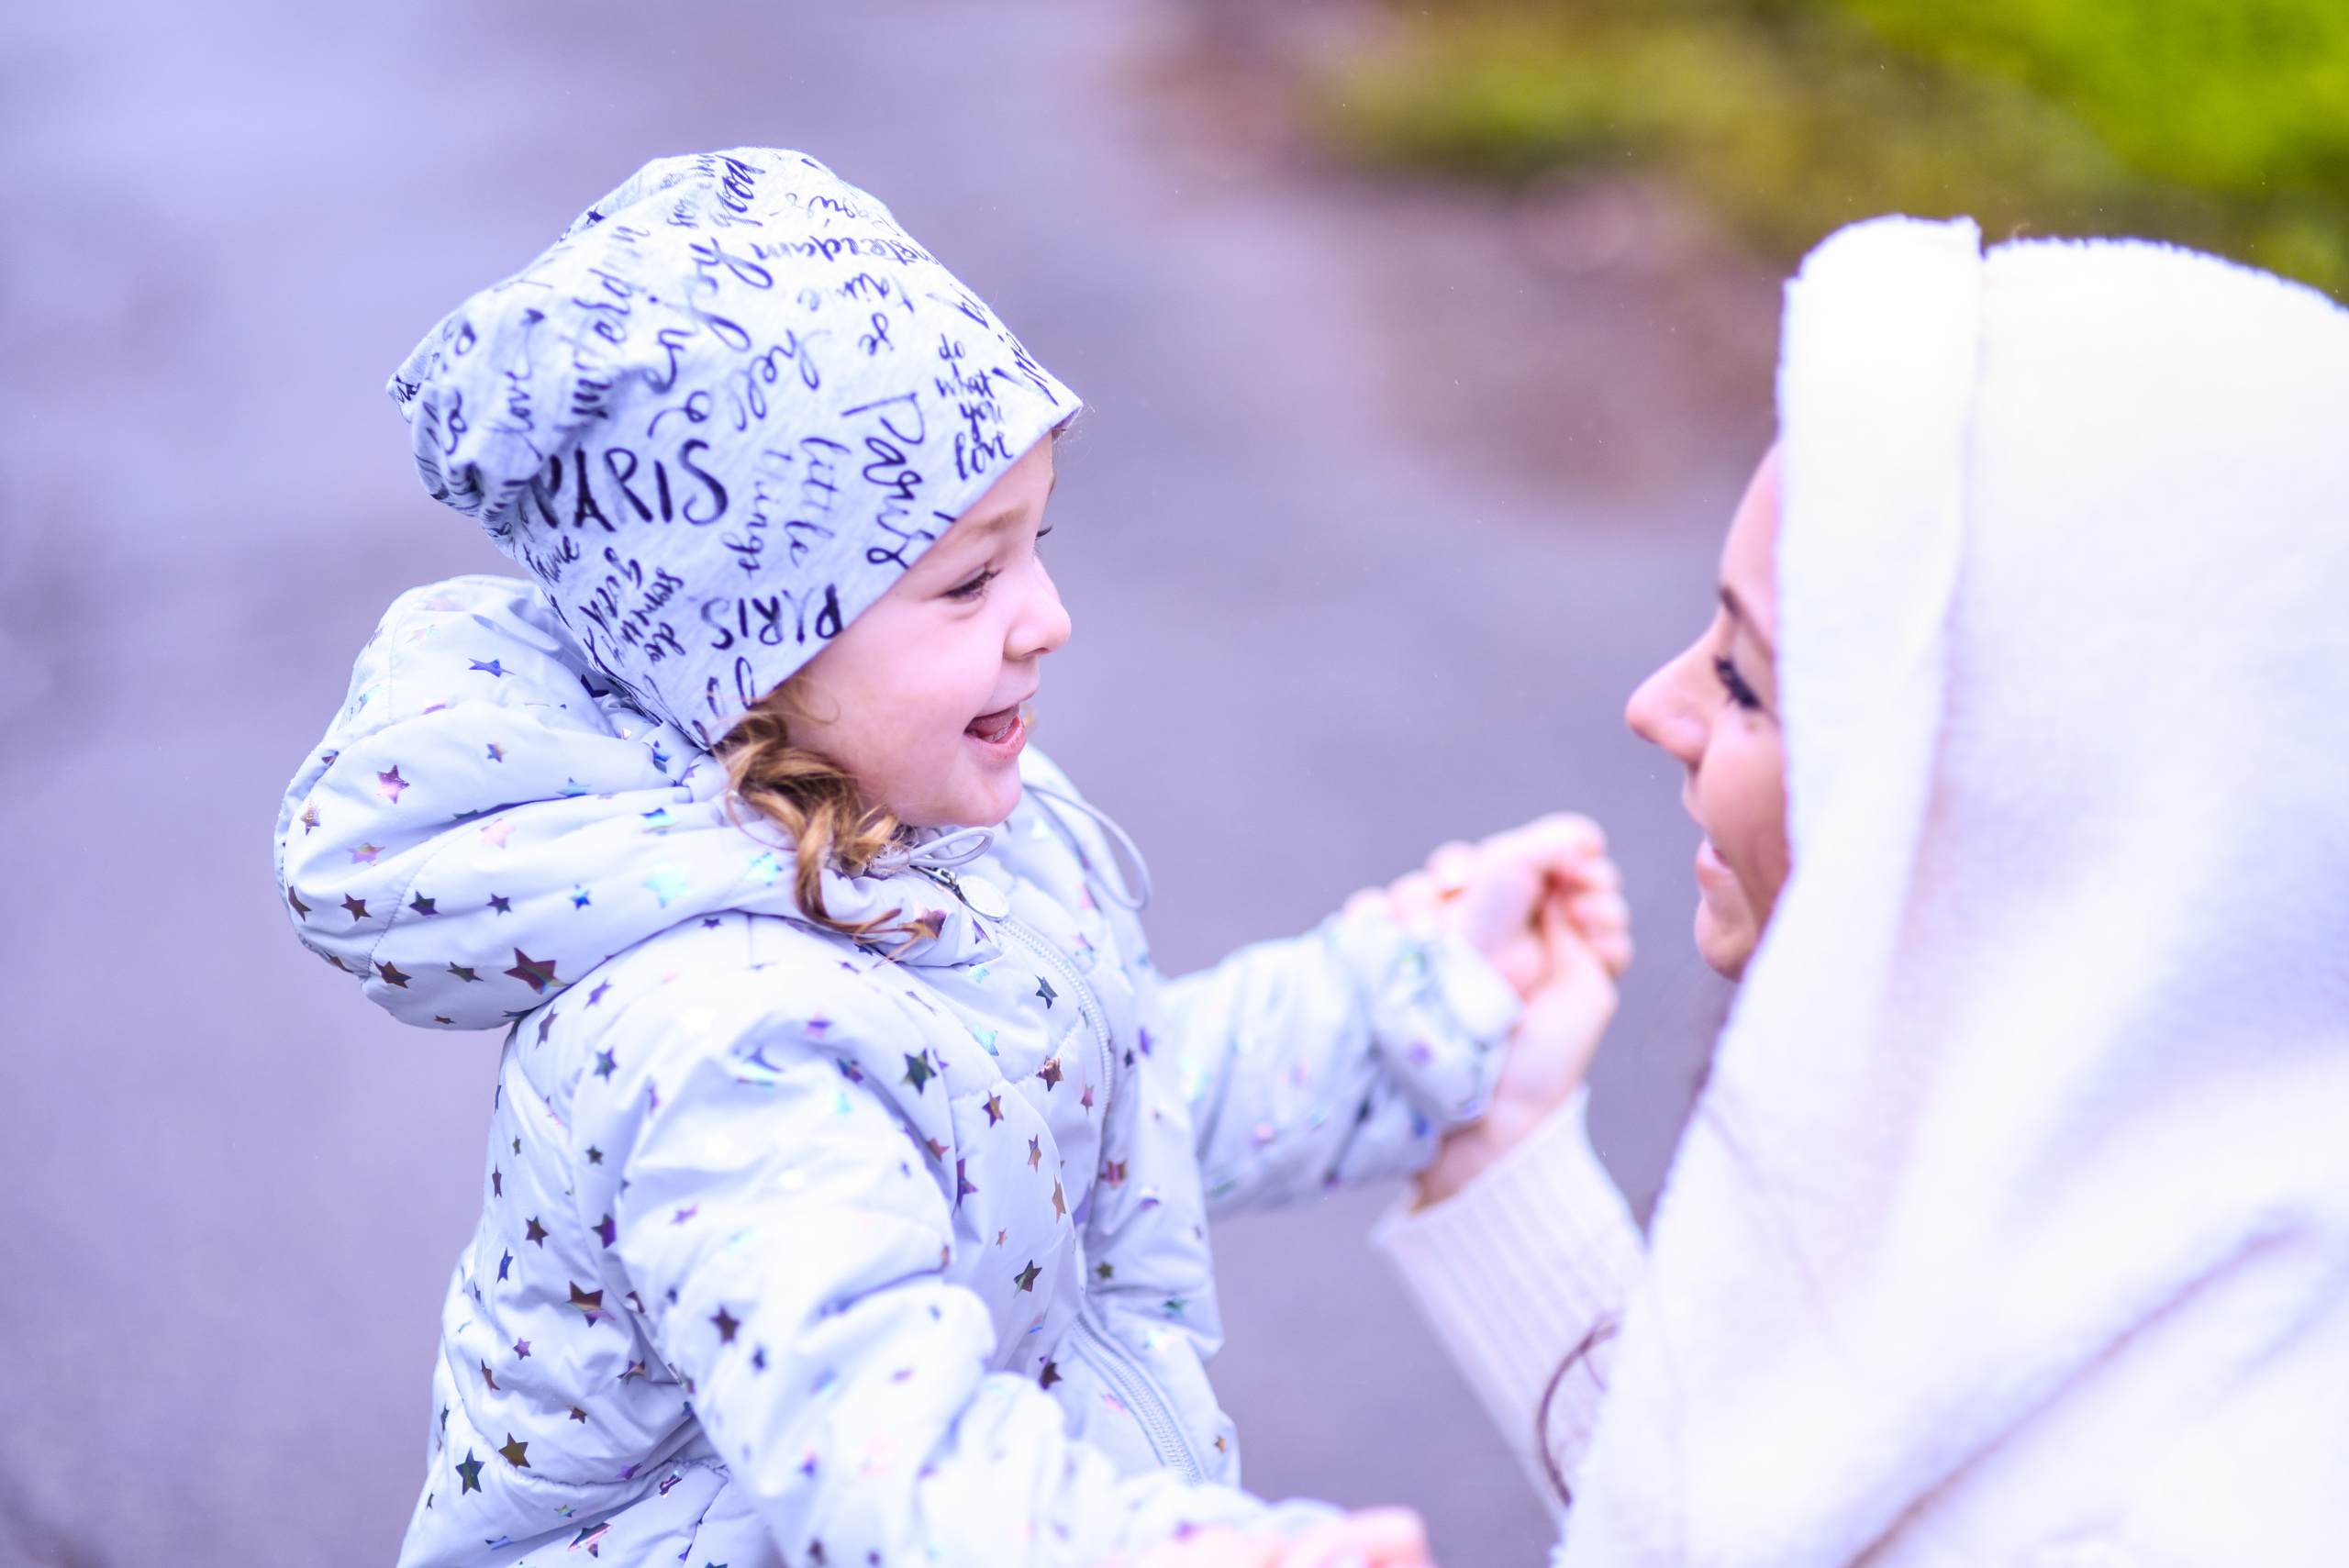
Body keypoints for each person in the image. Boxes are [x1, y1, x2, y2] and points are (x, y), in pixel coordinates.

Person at [273, 149, 1630, 1568]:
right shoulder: (722, 1043)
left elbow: (1066, 1119)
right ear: (754, 647)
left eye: (1036, 543)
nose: (1048, 615)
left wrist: (1395, 1013)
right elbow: (879, 1446)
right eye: (971, 577)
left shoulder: (901, 840)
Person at [1375, 216, 2349, 1565]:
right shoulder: (2148, 1249)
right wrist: (1504, 1145)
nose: (1656, 703)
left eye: (1747, 679)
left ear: (2027, 800)